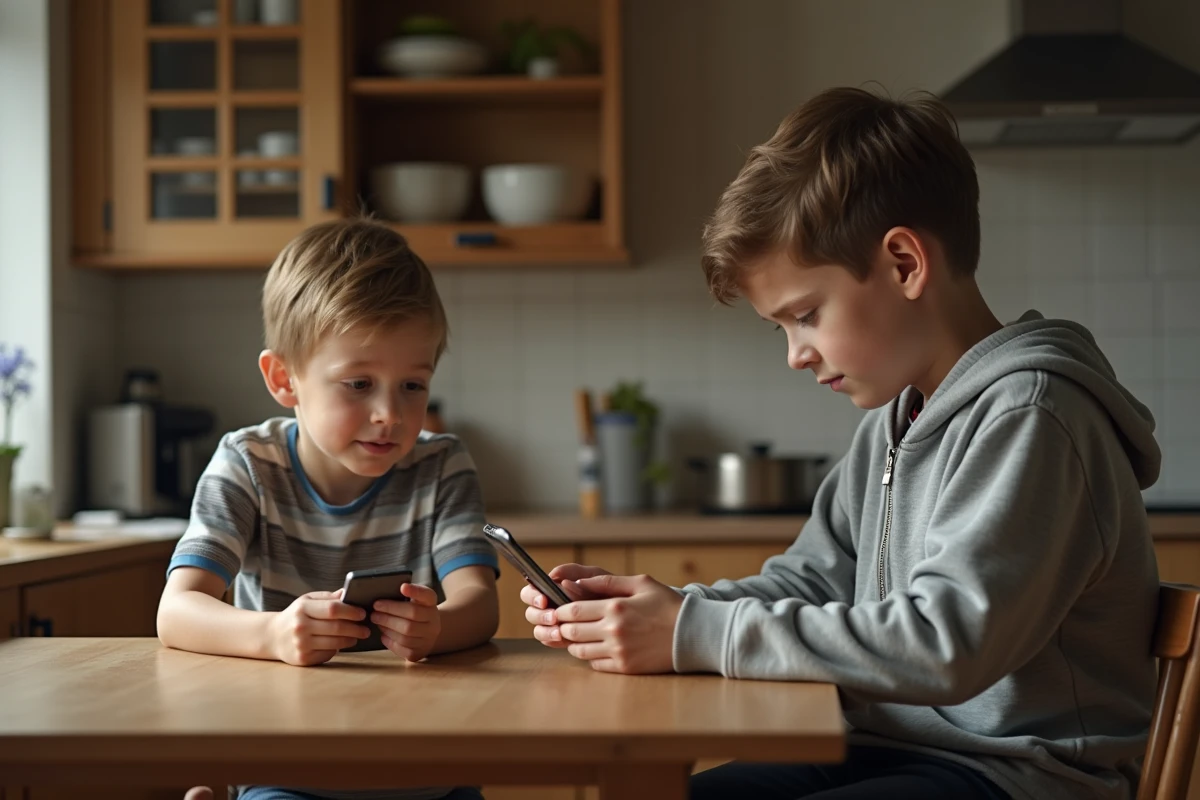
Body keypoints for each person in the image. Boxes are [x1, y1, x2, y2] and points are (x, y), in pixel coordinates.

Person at [521, 87, 1161, 800]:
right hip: (886, 746)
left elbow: (946, 647)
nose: (795, 354)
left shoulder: (1034, 418)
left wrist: (695, 632)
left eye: (806, 315)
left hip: (1017, 775)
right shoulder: (897, 420)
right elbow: (814, 581)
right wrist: (664, 610)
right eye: (782, 329)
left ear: (904, 264)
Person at [159, 218, 499, 800]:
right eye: (359, 383)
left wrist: (437, 627)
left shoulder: (442, 464)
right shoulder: (247, 464)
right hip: (288, 772)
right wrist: (275, 634)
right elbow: (177, 611)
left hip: (427, 776)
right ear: (283, 378)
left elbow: (480, 604)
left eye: (412, 386)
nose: (389, 413)